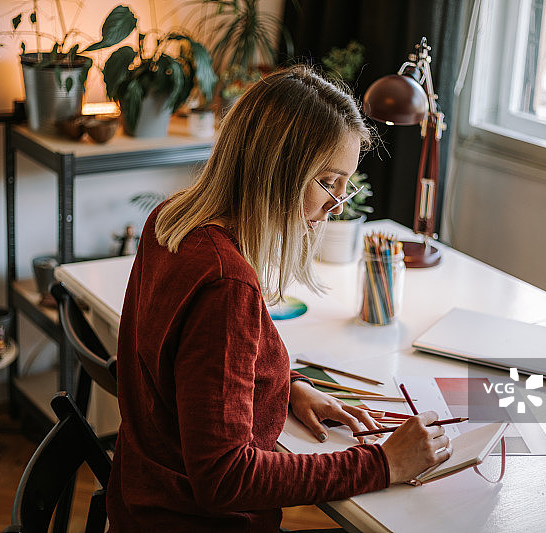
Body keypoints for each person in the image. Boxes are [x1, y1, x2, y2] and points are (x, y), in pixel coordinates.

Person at [107, 65, 452, 532]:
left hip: (139, 503)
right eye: (329, 181)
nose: (339, 204)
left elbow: (189, 368)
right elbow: (225, 478)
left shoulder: (172, 221)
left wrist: (282, 386)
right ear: (278, 173)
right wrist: (382, 463)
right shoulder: (226, 284)